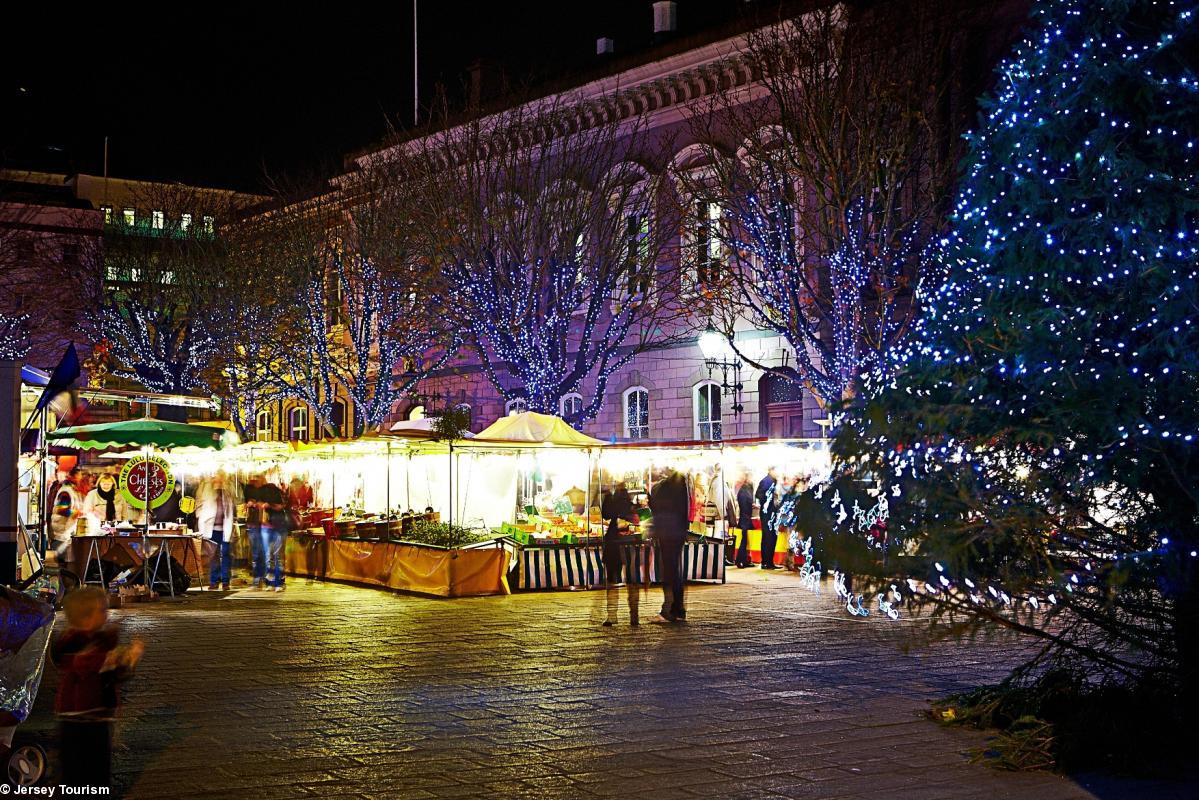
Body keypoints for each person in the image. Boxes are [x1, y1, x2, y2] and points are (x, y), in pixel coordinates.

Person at [51, 586, 144, 789]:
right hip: (79, 716)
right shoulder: (72, 642)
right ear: (86, 619)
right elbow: (89, 663)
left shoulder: (96, 639)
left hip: (98, 714)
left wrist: (127, 662)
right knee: (78, 766)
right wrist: (123, 657)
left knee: (98, 765)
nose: (107, 614)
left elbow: (113, 674)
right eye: (102, 610)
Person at [649, 469, 690, 623]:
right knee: (674, 571)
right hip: (678, 532)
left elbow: (657, 507)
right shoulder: (682, 486)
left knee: (670, 571)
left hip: (668, 532)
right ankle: (678, 610)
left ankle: (669, 610)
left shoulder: (666, 487)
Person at [600, 482, 640, 626]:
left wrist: (607, 496)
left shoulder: (614, 499)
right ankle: (633, 616)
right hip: (628, 542)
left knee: (612, 580)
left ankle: (612, 616)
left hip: (615, 543)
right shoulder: (630, 503)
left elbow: (606, 514)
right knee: (631, 580)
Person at [197, 471, 237, 591]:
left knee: (225, 555)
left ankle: (225, 581)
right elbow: (200, 506)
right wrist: (200, 518)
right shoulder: (207, 492)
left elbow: (231, 509)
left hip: (225, 529)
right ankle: (214, 581)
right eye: (217, 479)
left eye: (221, 479)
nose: (219, 481)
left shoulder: (227, 493)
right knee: (213, 556)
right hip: (211, 529)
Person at [256, 476, 288, 592]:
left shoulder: (277, 495)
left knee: (274, 556)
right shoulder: (272, 494)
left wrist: (269, 505)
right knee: (271, 556)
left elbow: (282, 506)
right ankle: (273, 582)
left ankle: (276, 582)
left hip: (275, 527)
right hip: (269, 527)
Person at [50, 467, 85, 571]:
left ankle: (66, 583)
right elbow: (62, 509)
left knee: (65, 562)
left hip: (66, 531)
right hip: (61, 532)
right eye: (80, 476)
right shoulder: (65, 491)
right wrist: (76, 513)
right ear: (74, 477)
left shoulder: (72, 490)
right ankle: (64, 585)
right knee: (63, 564)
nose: (81, 479)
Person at [243, 474, 268, 589]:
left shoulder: (267, 490)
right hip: (253, 524)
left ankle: (262, 576)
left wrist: (261, 504)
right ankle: (257, 577)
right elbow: (245, 503)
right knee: (256, 551)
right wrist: (249, 504)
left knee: (262, 551)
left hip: (264, 524)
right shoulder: (248, 488)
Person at [755, 466, 780, 569]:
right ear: (771, 470)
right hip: (768, 514)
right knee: (769, 537)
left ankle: (768, 562)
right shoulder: (767, 481)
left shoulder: (772, 481)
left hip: (770, 513)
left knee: (771, 537)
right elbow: (759, 495)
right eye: (776, 470)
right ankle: (766, 562)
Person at [734, 473, 754, 568]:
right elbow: (745, 504)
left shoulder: (745, 489)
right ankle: (740, 560)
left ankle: (744, 560)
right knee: (744, 540)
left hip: (745, 517)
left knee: (745, 540)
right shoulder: (745, 490)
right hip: (745, 518)